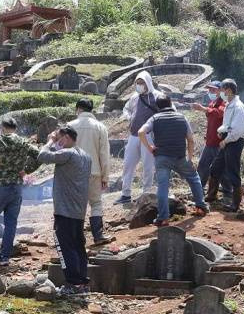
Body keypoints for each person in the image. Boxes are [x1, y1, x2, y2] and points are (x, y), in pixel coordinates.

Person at [0, 117, 40, 268]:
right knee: (11, 223)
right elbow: (38, 155)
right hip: (16, 187)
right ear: (15, 128)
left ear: (2, 127)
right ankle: (4, 257)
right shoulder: (23, 142)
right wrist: (26, 170)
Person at [139, 95, 210, 227]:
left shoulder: (154, 118)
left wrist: (150, 148)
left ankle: (163, 218)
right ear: (170, 103)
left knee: (163, 187)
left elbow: (141, 132)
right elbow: (190, 139)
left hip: (162, 158)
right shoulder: (181, 117)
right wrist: (190, 157)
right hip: (180, 157)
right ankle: (200, 207)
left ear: (157, 106)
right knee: (194, 179)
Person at [37, 126, 92, 296]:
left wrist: (50, 141)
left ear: (66, 137)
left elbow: (42, 156)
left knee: (65, 247)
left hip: (64, 210)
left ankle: (72, 284)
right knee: (78, 247)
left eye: (60, 138)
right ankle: (82, 282)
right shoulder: (86, 156)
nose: (57, 141)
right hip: (78, 209)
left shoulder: (68, 153)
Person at [115, 71, 170, 204]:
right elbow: (126, 109)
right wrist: (129, 117)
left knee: (148, 166)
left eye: (142, 83)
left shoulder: (158, 96)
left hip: (149, 136)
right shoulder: (134, 97)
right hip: (134, 135)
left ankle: (146, 193)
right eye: (137, 83)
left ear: (148, 83)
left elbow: (169, 110)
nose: (139, 85)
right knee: (128, 164)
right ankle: (126, 194)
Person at [67, 98, 112, 245]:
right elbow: (104, 154)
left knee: (76, 206)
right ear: (91, 110)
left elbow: (64, 151)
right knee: (96, 203)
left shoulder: (70, 126)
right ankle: (98, 235)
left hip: (74, 172)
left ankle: (75, 238)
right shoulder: (100, 127)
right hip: (94, 171)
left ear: (78, 109)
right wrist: (105, 176)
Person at [209, 79, 244, 212]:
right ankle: (211, 196)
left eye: (222, 89)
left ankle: (235, 204)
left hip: (234, 142)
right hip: (228, 140)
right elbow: (228, 125)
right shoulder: (229, 104)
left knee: (233, 171)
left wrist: (226, 140)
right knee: (215, 168)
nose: (221, 92)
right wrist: (222, 132)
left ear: (229, 90)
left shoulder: (238, 107)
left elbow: (237, 130)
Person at [191, 80, 229, 202]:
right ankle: (198, 190)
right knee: (203, 166)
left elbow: (219, 113)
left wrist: (203, 109)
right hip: (210, 142)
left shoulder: (224, 103)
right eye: (209, 90)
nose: (210, 92)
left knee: (220, 169)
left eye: (213, 89)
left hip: (219, 143)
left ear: (220, 90)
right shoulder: (213, 103)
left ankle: (228, 192)